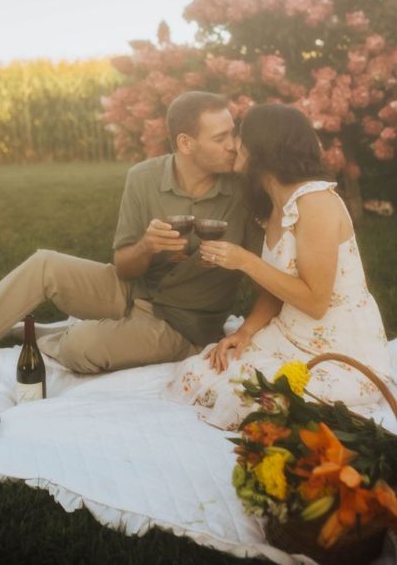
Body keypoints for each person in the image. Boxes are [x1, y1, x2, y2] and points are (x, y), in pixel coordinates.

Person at [0, 91, 262, 376]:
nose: (234, 145)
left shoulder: (245, 191)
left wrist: (245, 330)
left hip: (182, 325)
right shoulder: (143, 177)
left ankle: (50, 334)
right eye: (221, 138)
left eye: (233, 133)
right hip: (134, 289)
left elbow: (266, 274)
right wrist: (146, 246)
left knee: (80, 346)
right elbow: (123, 268)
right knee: (45, 264)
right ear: (186, 143)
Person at [164, 104, 391, 430]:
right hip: (289, 333)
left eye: (240, 136)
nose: (233, 145)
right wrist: (244, 333)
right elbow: (277, 290)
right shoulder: (274, 206)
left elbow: (315, 301)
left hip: (337, 347)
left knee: (256, 399)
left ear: (264, 148)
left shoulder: (315, 203)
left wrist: (245, 261)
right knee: (198, 371)